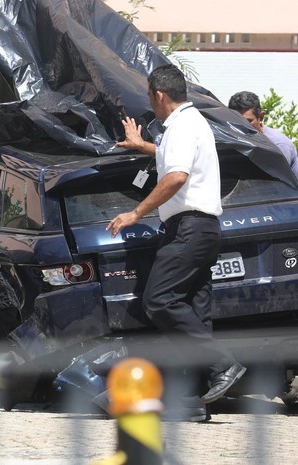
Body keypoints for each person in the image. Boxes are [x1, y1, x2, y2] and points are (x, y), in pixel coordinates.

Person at [106, 64, 246, 411]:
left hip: (190, 228)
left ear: (158, 95)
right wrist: (144, 146)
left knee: (160, 300)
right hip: (202, 229)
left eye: (150, 99)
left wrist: (134, 213)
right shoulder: (187, 124)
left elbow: (176, 177)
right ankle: (194, 399)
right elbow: (177, 158)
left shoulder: (183, 126)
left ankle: (224, 364)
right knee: (196, 315)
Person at [228, 90, 298, 178]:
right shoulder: (232, 138)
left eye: (248, 121)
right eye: (237, 121)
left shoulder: (278, 145)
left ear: (260, 117)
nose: (242, 126)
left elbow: (278, 183)